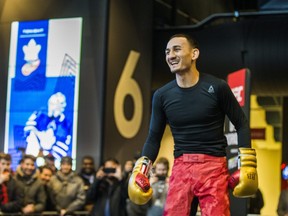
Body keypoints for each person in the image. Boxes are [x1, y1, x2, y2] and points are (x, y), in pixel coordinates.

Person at [128, 33, 258, 215]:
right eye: (167, 52)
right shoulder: (161, 96)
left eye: (177, 49)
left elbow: (241, 123)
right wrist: (141, 170)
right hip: (181, 168)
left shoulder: (217, 87)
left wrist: (247, 166)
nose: (170, 55)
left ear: (194, 54)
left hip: (214, 168)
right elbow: (153, 137)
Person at [24, 92, 72, 163]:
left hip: (53, 155)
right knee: (32, 135)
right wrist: (39, 134)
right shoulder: (39, 114)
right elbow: (28, 129)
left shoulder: (66, 123)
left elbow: (64, 143)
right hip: (36, 147)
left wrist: (50, 156)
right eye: (51, 104)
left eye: (58, 104)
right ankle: (30, 162)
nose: (53, 107)